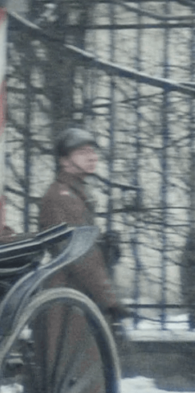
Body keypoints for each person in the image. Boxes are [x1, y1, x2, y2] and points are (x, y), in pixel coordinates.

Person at [38, 126, 125, 321]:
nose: (92, 157)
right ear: (64, 160)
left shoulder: (75, 193)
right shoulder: (63, 197)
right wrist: (109, 300)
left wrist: (103, 247)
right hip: (68, 301)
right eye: (82, 152)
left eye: (92, 151)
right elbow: (79, 255)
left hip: (76, 295)